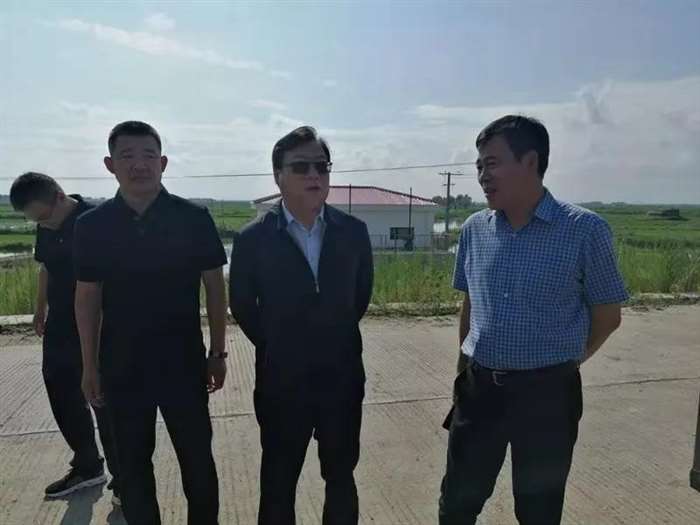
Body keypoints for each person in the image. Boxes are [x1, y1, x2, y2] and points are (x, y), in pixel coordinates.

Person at [439, 115, 628, 525]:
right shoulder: (475, 229)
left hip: (549, 397)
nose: (482, 175)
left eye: (492, 163)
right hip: (479, 389)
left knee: (538, 509)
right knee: (457, 502)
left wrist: (566, 361)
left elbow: (608, 315)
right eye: (479, 166)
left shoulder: (584, 230)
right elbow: (471, 306)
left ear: (530, 161)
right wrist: (462, 372)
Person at [73, 121, 227, 525]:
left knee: (197, 459)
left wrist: (218, 352)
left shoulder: (192, 217)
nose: (139, 165)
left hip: (183, 361)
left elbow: (214, 287)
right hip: (121, 364)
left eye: (148, 156)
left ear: (163, 162)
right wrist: (89, 365)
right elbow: (87, 297)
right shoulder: (92, 225)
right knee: (132, 466)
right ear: (110, 164)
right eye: (127, 156)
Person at [229, 126, 373, 525]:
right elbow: (242, 305)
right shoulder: (253, 239)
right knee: (278, 481)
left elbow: (359, 297)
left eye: (321, 167)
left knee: (340, 476)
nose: (314, 175)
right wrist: (278, 344)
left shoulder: (353, 232)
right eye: (301, 167)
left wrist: (331, 336)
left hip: (341, 379)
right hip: (282, 382)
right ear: (278, 176)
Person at [9, 173, 121, 503]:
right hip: (60, 323)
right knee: (61, 391)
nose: (41, 224)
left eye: (43, 217)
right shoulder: (45, 223)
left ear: (59, 196)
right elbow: (46, 267)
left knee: (102, 398)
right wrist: (39, 308)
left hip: (98, 323)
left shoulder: (96, 221)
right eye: (34, 220)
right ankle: (87, 464)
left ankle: (124, 479)